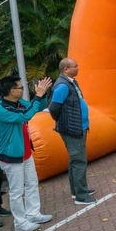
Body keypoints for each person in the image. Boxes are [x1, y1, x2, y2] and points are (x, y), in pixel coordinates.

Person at [0, 76, 54, 231]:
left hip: (25, 153)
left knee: (32, 183)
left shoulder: (19, 103)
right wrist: (38, 96)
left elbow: (37, 107)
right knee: (16, 191)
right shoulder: (1, 110)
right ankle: (20, 223)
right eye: (21, 88)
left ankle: (33, 213)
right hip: (11, 156)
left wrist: (42, 94)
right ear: (12, 91)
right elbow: (25, 115)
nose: (23, 89)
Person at [49, 58, 97, 205]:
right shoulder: (63, 86)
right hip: (72, 128)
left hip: (78, 126)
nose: (78, 68)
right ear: (66, 69)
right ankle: (81, 196)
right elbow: (53, 108)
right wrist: (62, 122)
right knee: (79, 160)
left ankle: (77, 190)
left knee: (75, 160)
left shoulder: (71, 82)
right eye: (75, 66)